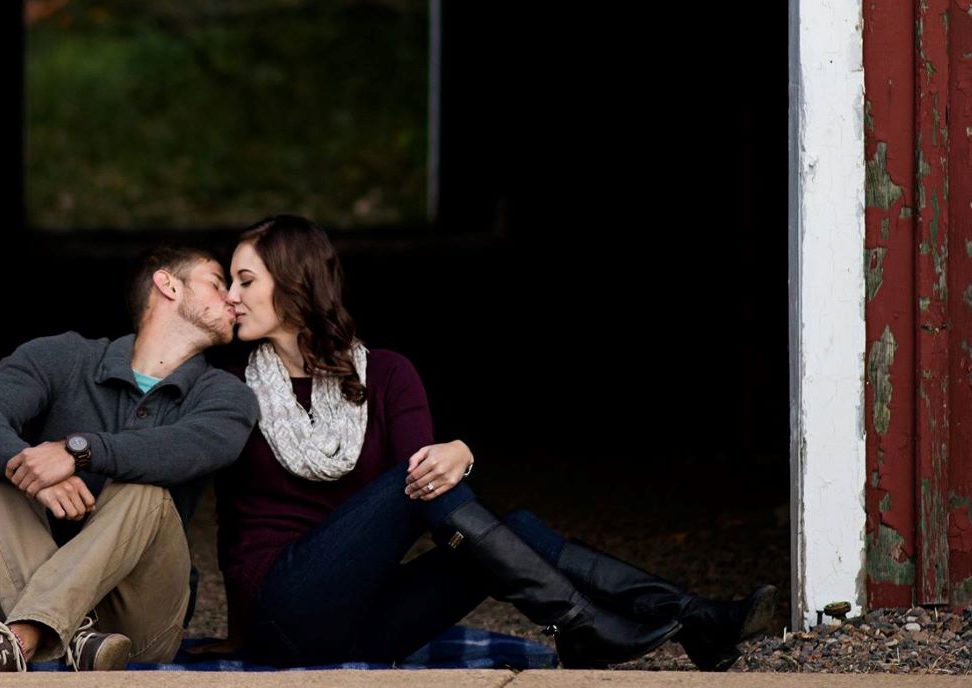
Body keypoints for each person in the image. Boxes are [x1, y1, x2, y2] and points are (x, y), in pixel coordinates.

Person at [214, 214, 781, 670]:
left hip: (362, 623)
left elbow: (434, 499)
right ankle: (585, 624)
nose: (231, 297)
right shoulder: (232, 389)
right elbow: (222, 510)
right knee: (424, 477)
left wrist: (460, 454)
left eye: (245, 280)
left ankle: (693, 618)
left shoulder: (386, 375)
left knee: (502, 521)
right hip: (282, 612)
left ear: (295, 285)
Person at [0, 246, 259, 673]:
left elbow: (191, 447)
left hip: (137, 624)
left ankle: (25, 636)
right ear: (169, 285)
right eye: (218, 284)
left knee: (144, 486)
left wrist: (77, 452)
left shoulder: (226, 393)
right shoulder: (64, 356)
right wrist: (34, 467)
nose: (234, 298)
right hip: (26, 581)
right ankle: (70, 634)